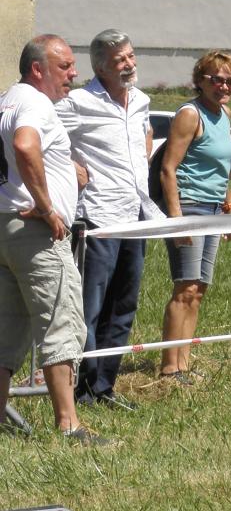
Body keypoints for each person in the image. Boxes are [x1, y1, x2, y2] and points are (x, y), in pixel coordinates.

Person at [0, 35, 107, 444]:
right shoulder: (35, 103)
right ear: (37, 69)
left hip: (5, 227)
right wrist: (46, 207)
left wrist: (67, 171)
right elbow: (26, 146)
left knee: (7, 330)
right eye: (64, 67)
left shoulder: (6, 100)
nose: (74, 74)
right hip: (35, 235)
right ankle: (68, 424)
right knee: (60, 323)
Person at [57, 29, 154, 411]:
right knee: (90, 308)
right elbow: (42, 134)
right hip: (97, 218)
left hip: (136, 216)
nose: (129, 65)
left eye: (130, 56)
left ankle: (105, 387)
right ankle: (81, 390)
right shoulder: (79, 102)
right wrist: (69, 165)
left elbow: (142, 137)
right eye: (120, 60)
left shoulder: (142, 101)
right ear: (100, 67)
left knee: (124, 305)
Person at [157, 50, 231, 383]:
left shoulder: (224, 114)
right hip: (188, 207)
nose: (223, 86)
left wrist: (229, 207)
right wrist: (177, 221)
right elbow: (167, 169)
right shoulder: (190, 115)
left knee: (199, 289)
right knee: (185, 288)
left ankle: (184, 365)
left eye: (230, 80)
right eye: (216, 79)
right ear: (200, 80)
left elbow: (222, 170)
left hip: (213, 209)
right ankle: (168, 367)